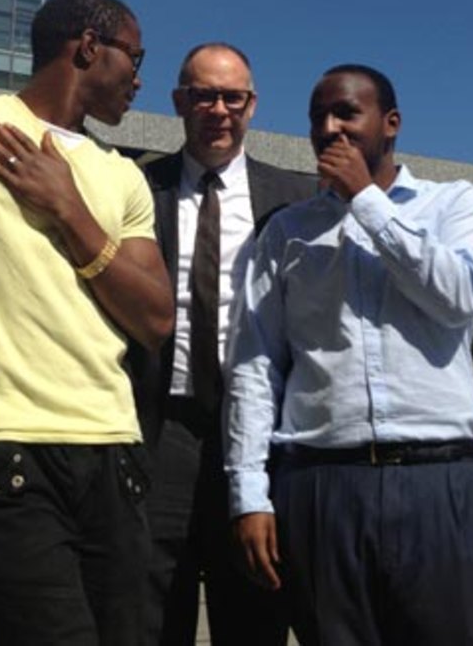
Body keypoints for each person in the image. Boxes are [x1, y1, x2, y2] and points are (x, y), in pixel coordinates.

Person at [224, 63, 473, 646]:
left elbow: (460, 295)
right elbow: (256, 366)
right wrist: (249, 493)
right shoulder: (285, 233)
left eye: (346, 113)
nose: (329, 129)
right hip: (324, 485)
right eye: (317, 117)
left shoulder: (453, 205)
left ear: (391, 123)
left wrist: (366, 199)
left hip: (443, 483)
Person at [0, 0, 174, 645]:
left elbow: (156, 319)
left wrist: (70, 210)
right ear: (90, 47)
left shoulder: (121, 175)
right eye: (135, 58)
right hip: (5, 445)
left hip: (114, 446)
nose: (139, 79)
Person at [126, 43, 316, 646]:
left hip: (260, 435)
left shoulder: (295, 198)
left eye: (232, 97)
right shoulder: (138, 187)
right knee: (152, 610)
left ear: (252, 105)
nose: (218, 110)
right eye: (203, 95)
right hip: (162, 428)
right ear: (179, 101)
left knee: (256, 608)